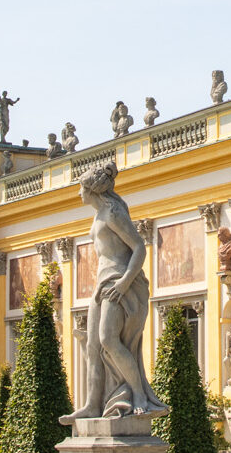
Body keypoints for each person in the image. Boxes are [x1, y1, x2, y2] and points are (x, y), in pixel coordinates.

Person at [61, 163, 166, 422]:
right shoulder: (98, 215)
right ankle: (92, 405)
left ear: (93, 191)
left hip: (120, 282)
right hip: (102, 283)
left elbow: (139, 247)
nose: (78, 194)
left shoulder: (113, 212)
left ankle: (139, 395)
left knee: (108, 339)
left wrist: (124, 283)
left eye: (81, 188)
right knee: (94, 346)